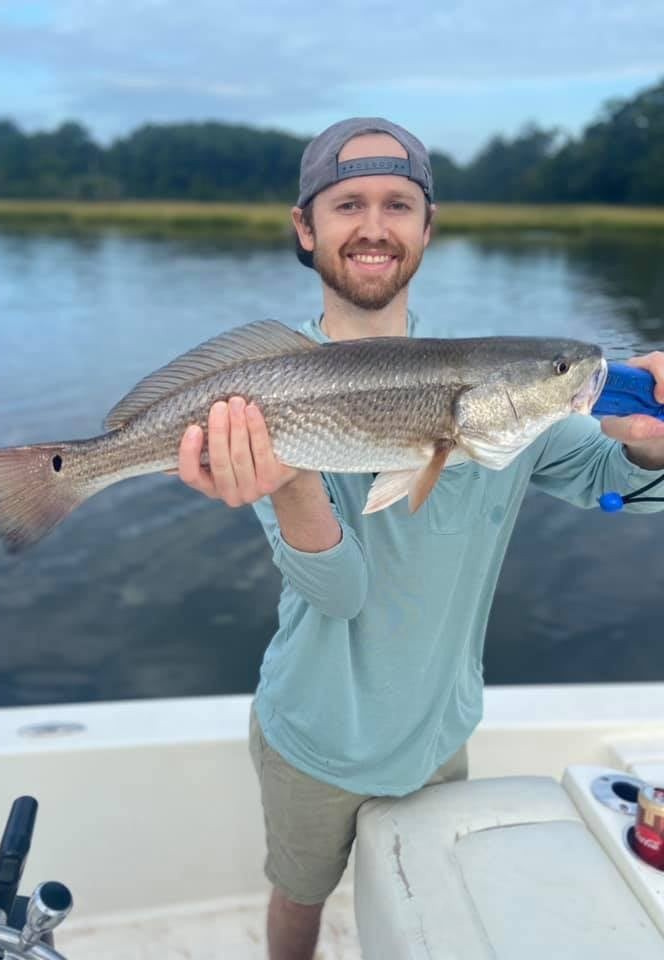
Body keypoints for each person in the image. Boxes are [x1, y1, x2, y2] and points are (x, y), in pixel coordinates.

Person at [174, 118, 664, 960]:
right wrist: (289, 477)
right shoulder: (261, 405)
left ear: (427, 228)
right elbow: (339, 596)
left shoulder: (498, 389)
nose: (374, 225)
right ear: (306, 226)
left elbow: (617, 483)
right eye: (347, 203)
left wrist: (651, 442)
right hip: (315, 733)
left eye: (399, 203)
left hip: (441, 731)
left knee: (420, 899)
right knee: (299, 895)